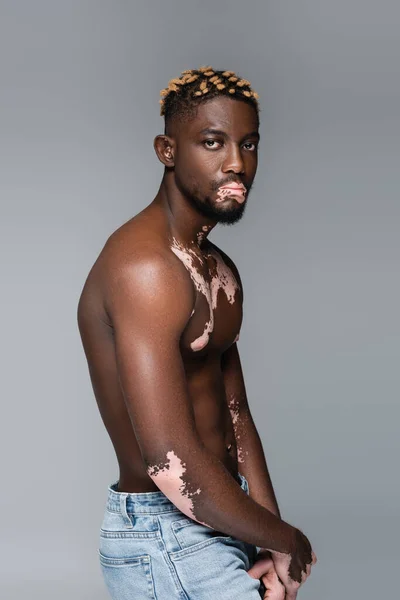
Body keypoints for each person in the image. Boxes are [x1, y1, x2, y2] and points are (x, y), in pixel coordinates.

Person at [77, 65, 317, 600]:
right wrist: (289, 540)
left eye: (248, 143)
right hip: (166, 533)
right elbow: (169, 463)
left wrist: (271, 547)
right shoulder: (145, 270)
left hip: (226, 520)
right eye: (213, 142)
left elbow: (237, 416)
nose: (237, 163)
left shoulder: (219, 272)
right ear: (167, 150)